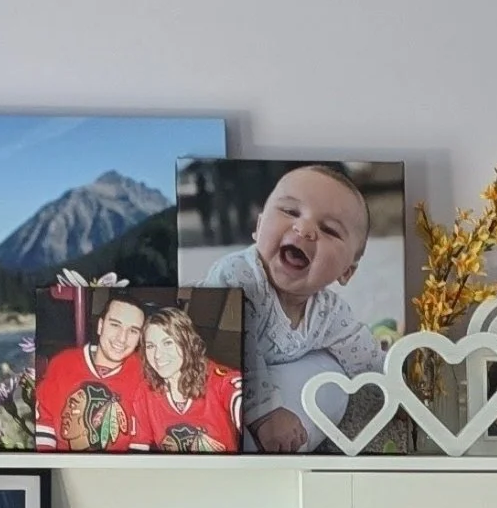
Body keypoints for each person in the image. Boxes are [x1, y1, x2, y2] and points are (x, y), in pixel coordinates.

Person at [205, 165, 386, 453]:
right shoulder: (238, 276)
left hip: (276, 377)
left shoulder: (328, 312)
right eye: (290, 211)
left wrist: (395, 394)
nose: (304, 229)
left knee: (331, 375)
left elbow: (364, 356)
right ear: (258, 227)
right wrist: (265, 413)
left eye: (329, 229)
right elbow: (235, 348)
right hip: (201, 369)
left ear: (346, 271)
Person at [35, 292, 146, 451]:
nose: (122, 338)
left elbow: (141, 439)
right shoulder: (63, 363)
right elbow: (43, 425)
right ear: (100, 326)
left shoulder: (143, 373)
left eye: (133, 331)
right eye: (115, 325)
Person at [128, 303, 244, 452]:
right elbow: (138, 448)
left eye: (168, 343)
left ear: (186, 343)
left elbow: (237, 393)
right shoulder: (146, 392)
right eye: (150, 346)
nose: (157, 355)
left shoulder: (217, 379)